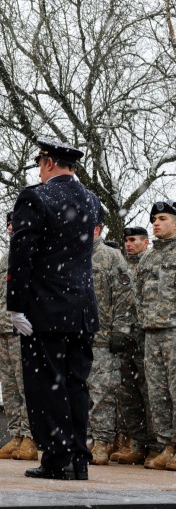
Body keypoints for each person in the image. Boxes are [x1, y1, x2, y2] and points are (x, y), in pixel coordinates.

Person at [7, 137, 100, 480]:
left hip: (46, 309)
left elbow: (22, 255)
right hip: (81, 310)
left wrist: (16, 305)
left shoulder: (36, 196)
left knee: (47, 385)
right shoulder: (92, 201)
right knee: (76, 384)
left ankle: (58, 458)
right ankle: (78, 459)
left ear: (48, 163)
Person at [0, 210, 37, 462]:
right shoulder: (6, 258)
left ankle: (30, 437)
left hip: (22, 330)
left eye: (15, 224)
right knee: (9, 388)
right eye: (8, 224)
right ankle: (16, 434)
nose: (10, 228)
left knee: (26, 386)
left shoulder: (34, 253)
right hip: (3, 329)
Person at [88, 206, 134, 464]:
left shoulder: (111, 256)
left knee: (102, 393)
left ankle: (103, 442)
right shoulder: (72, 254)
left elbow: (124, 297)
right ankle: (87, 439)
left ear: (97, 229)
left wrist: (120, 330)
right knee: (82, 392)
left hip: (104, 337)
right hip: (78, 336)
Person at [135, 200, 176, 470]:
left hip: (174, 330)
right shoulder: (148, 258)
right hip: (152, 333)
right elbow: (138, 296)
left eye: (162, 218)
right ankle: (166, 446)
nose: (156, 223)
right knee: (158, 393)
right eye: (154, 219)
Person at [111, 225, 154, 465]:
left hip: (145, 337)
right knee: (128, 395)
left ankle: (158, 445)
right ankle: (138, 444)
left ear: (146, 242)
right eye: (127, 240)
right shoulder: (122, 268)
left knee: (150, 393)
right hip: (125, 339)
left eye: (135, 239)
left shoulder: (151, 263)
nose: (129, 244)